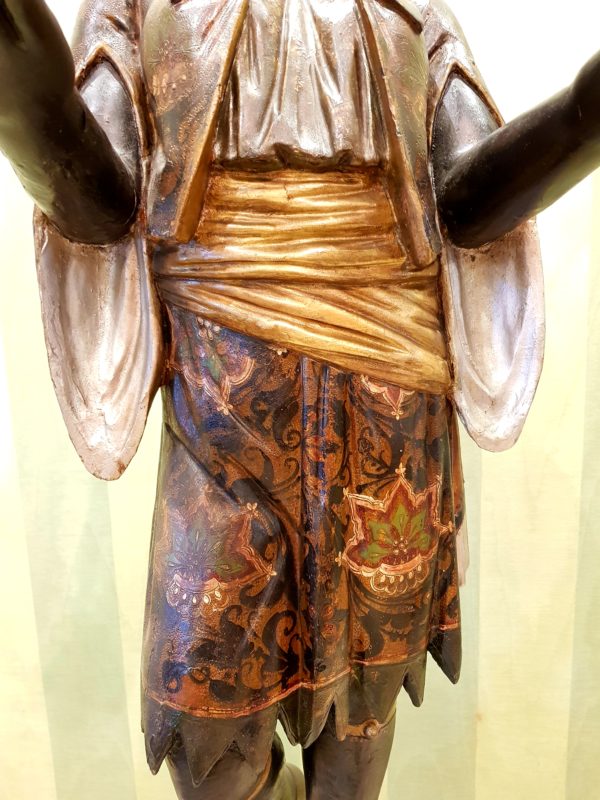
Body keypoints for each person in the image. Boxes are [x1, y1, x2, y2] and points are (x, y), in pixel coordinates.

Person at [1, 1, 599, 798]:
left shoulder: (410, 11)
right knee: (211, 749)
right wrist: (28, 105)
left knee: (359, 724)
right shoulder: (139, 8)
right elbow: (102, 203)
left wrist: (583, 115)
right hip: (223, 402)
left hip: (389, 393)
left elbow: (466, 202)